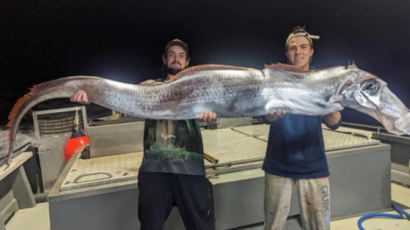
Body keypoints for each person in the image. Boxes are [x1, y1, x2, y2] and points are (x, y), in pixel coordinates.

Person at [70, 38, 216, 230]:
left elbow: (217, 108)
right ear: (164, 59)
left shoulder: (199, 88)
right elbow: (121, 99)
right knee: (150, 225)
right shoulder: (149, 86)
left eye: (181, 56)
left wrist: (211, 114)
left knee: (200, 225)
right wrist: (91, 96)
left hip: (190, 168)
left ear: (188, 62)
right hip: (154, 169)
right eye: (171, 55)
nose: (176, 59)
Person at [262, 26, 342, 230]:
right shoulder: (275, 79)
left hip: (313, 164)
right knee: (273, 226)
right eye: (292, 48)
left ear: (311, 51)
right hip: (278, 163)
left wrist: (329, 107)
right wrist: (271, 114)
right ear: (286, 52)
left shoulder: (323, 80)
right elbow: (265, 115)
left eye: (303, 47)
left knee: (319, 226)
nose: (298, 52)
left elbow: (334, 122)